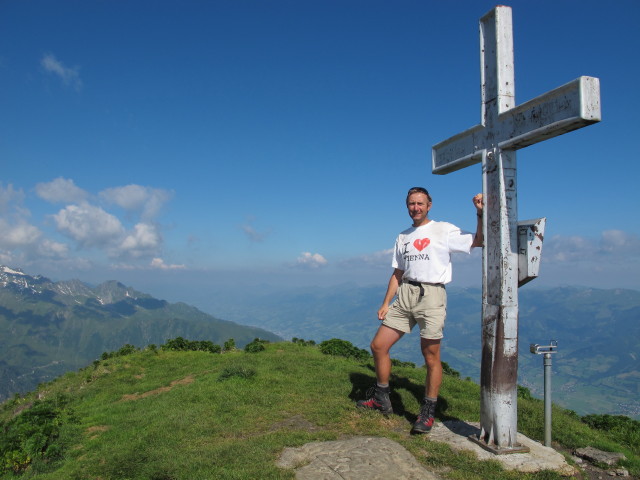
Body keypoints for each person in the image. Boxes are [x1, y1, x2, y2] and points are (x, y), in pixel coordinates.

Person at [357, 186, 483, 434]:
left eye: (420, 204)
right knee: (379, 346)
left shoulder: (443, 229)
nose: (415, 208)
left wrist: (479, 213)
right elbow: (398, 273)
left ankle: (427, 412)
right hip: (405, 295)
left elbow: (478, 241)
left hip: (432, 295)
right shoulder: (403, 236)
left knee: (430, 356)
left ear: (429, 205)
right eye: (411, 204)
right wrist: (386, 303)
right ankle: (382, 398)